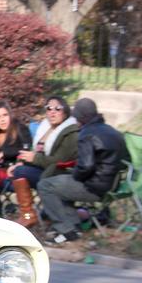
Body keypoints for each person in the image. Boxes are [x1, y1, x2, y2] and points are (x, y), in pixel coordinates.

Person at [38, 98, 126, 245]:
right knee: (60, 184)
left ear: (82, 118)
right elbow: (124, 160)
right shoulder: (113, 132)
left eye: (77, 117)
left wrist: (74, 174)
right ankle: (74, 226)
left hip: (94, 188)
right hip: (112, 185)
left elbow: (86, 167)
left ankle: (66, 230)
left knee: (46, 185)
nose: (75, 120)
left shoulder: (86, 134)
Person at [8, 96, 79, 227]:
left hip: (58, 173)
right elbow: (37, 154)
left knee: (20, 172)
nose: (52, 112)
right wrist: (23, 162)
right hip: (44, 169)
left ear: (66, 111)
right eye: (49, 108)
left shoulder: (70, 133)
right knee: (16, 172)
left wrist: (33, 159)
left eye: (58, 108)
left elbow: (60, 161)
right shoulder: (45, 128)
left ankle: (29, 216)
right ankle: (31, 215)